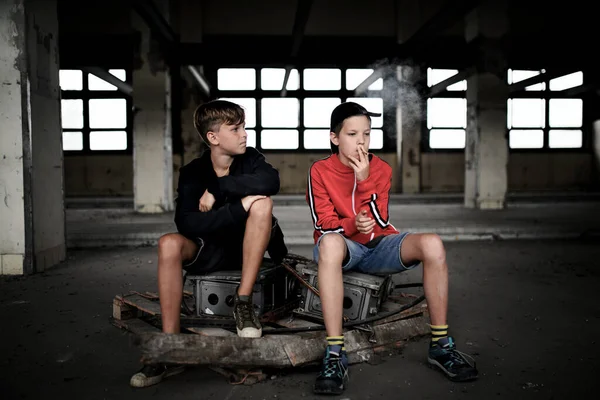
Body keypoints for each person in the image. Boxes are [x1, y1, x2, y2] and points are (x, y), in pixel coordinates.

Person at [306, 102, 478, 395]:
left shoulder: (381, 169)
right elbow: (324, 224)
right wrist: (351, 225)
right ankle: (335, 354)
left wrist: (364, 181)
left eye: (367, 134)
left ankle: (440, 345)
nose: (361, 141)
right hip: (344, 248)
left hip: (380, 246)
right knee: (331, 243)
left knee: (432, 243)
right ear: (335, 138)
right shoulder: (320, 170)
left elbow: (382, 219)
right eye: (352, 134)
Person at [130, 99, 287, 388]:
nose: (244, 134)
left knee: (264, 203)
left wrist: (218, 189)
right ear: (213, 137)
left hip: (246, 251)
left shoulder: (250, 159)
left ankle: (243, 303)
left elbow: (271, 181)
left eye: (243, 127)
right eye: (236, 128)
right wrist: (239, 207)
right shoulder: (192, 172)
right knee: (168, 243)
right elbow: (188, 223)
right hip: (208, 250)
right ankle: (170, 347)